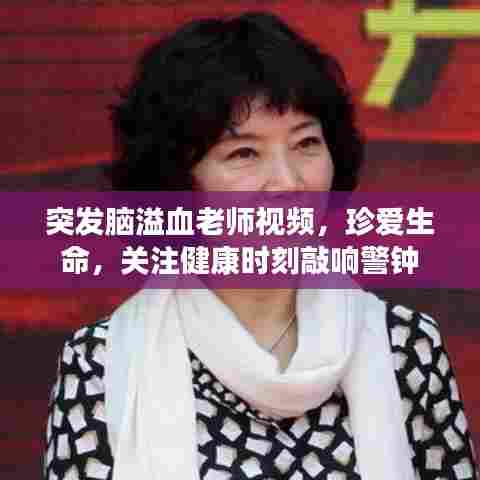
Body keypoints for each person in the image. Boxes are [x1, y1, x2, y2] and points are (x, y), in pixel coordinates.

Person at [43, 11, 478, 480]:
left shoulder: (406, 348)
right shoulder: (102, 363)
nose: (288, 182)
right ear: (177, 183)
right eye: (244, 153)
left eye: (306, 144)